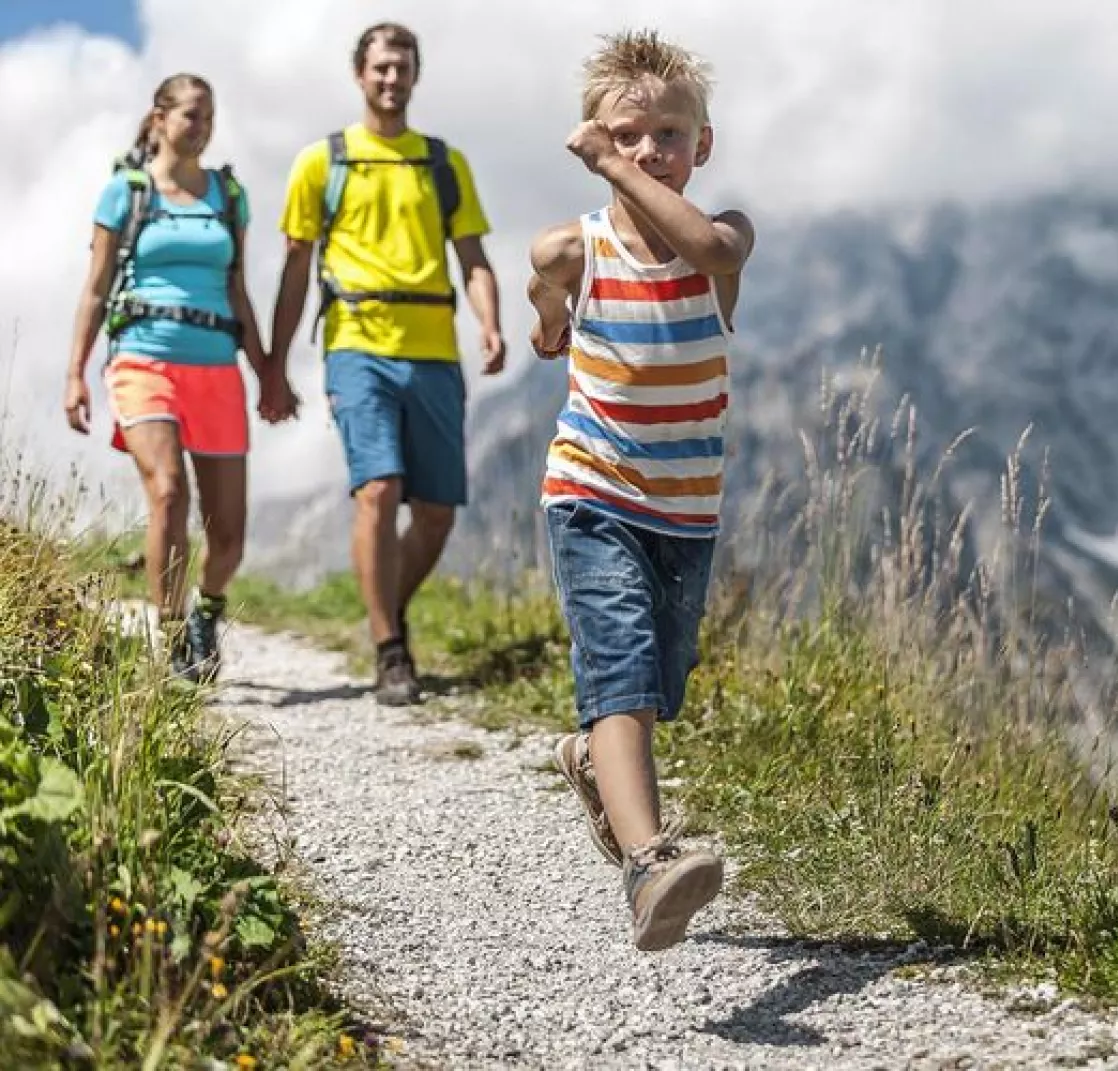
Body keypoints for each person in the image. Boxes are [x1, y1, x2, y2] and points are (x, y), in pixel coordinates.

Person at [529, 29, 756, 952]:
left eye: (671, 133)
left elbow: (702, 242)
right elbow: (548, 285)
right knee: (619, 670)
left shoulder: (725, 237)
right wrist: (550, 316)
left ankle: (590, 760)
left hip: (686, 511)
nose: (651, 149)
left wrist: (612, 167)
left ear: (703, 146)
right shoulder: (577, 248)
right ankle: (649, 863)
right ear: (598, 139)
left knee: (661, 682)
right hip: (591, 489)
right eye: (629, 135)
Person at [268, 22, 506, 706]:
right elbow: (293, 269)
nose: (391, 79)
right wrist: (276, 364)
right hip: (356, 343)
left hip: (433, 346)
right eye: (380, 68)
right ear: (359, 74)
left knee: (435, 513)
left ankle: (384, 605)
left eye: (402, 67)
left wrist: (490, 322)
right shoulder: (323, 161)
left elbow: (474, 258)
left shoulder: (443, 163)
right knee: (376, 489)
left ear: (415, 74)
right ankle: (388, 649)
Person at [64, 73, 296, 682]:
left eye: (209, 116)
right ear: (160, 117)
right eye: (191, 114)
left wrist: (269, 371)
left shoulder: (228, 195)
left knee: (230, 536)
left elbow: (239, 290)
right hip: (142, 358)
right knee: (168, 490)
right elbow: (93, 291)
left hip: (217, 366)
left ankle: (206, 613)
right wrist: (75, 375)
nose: (201, 127)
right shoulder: (127, 192)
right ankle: (168, 638)